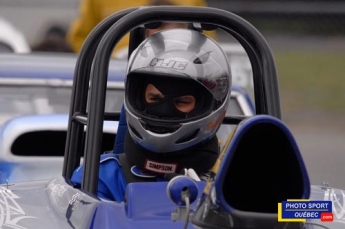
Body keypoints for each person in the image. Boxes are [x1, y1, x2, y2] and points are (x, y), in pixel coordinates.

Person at [71, 28, 232, 202]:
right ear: (138, 98)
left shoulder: (231, 179)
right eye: (154, 98)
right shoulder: (101, 176)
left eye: (181, 102)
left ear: (210, 105)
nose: (164, 111)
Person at [66, 0, 217, 55]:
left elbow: (206, 41)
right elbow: (82, 38)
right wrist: (105, 66)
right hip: (114, 76)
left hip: (180, 73)